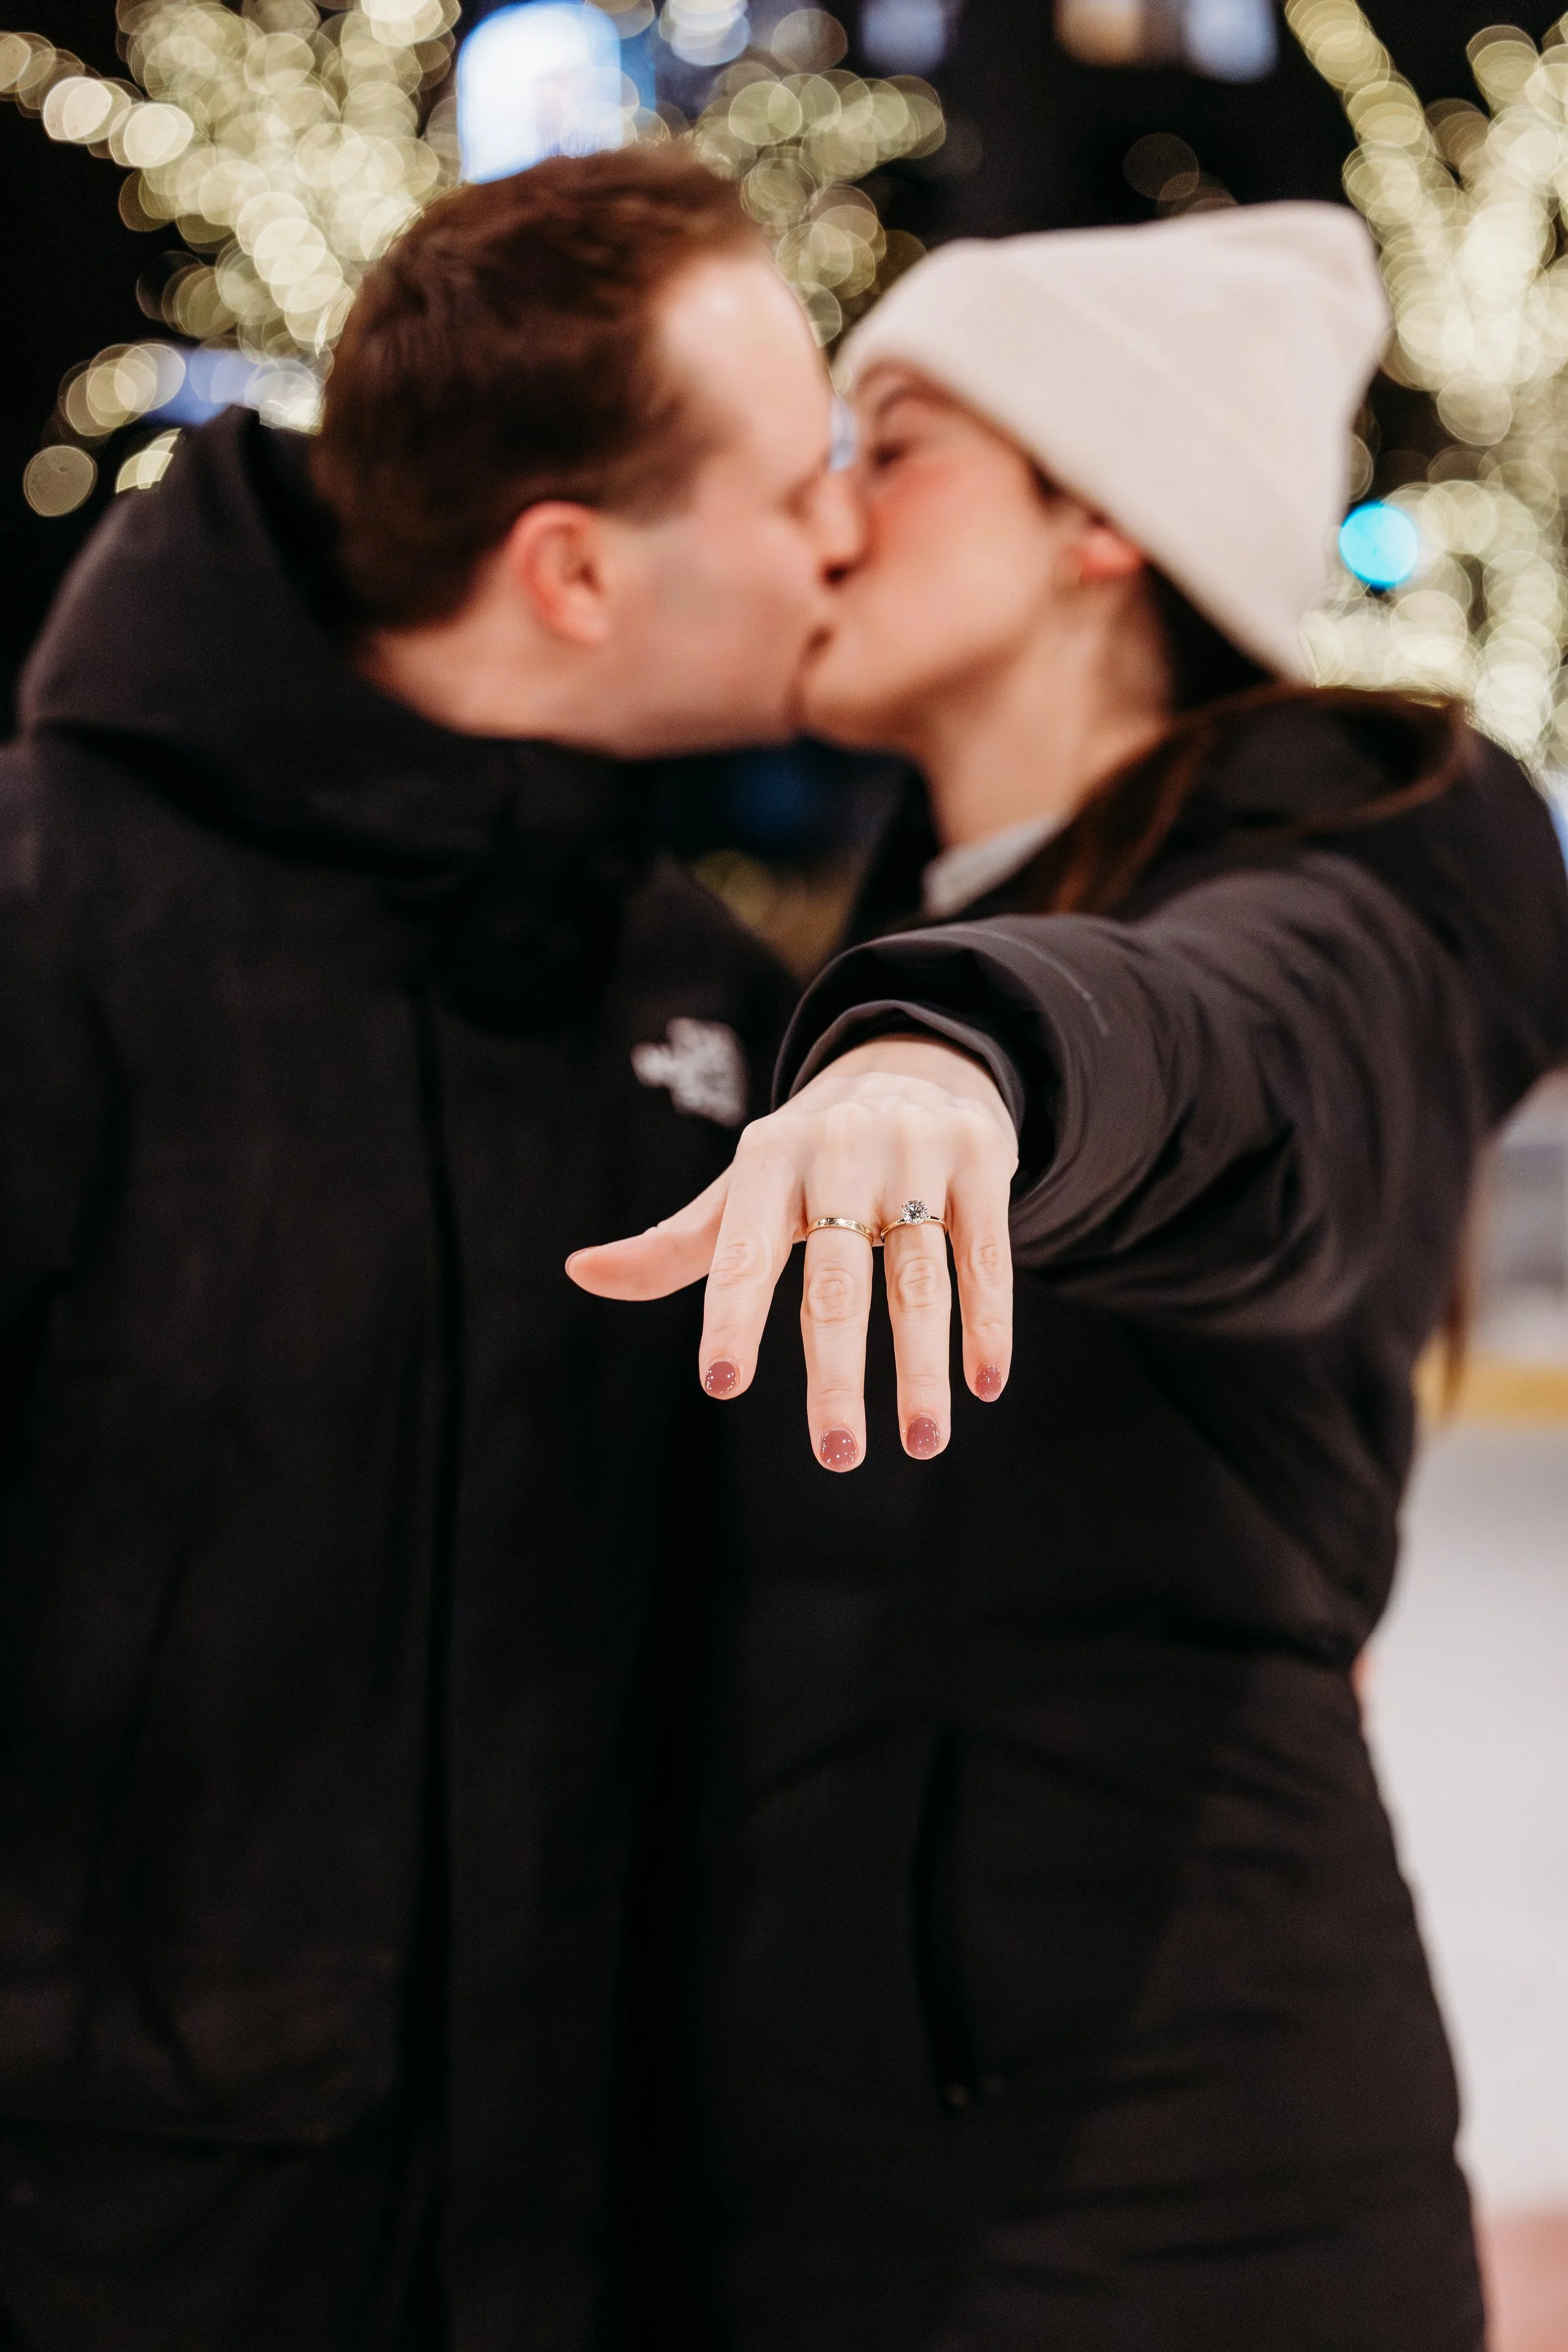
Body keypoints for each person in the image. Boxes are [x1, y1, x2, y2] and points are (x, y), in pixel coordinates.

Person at [568, 206, 1568, 2348]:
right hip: (840, 2179)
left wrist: (964, 1061)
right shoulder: (831, 951)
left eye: (896, 443)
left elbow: (1230, 1043)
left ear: (1097, 523)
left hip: (1172, 2199)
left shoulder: (1370, 864)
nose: (821, 517)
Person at [0, 149, 859, 2349]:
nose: (838, 538)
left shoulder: (694, 994)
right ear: (571, 567)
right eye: (791, 490)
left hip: (591, 2246)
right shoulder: (56, 932)